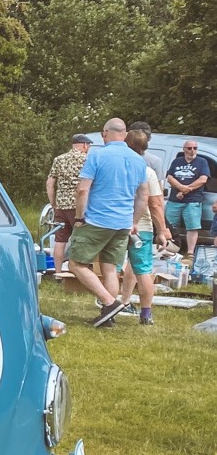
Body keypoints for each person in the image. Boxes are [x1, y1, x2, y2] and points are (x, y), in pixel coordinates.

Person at [66, 118, 152, 327]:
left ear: (105, 133)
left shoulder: (97, 155)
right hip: (123, 223)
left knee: (75, 264)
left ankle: (109, 303)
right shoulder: (139, 160)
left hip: (97, 220)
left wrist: (79, 217)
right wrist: (133, 221)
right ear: (124, 134)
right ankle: (108, 317)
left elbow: (82, 189)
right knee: (110, 268)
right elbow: (143, 196)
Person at [116, 130, 172, 325]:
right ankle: (146, 314)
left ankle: (110, 308)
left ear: (125, 143)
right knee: (143, 270)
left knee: (111, 267)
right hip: (143, 227)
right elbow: (156, 204)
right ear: (145, 146)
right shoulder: (148, 172)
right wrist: (163, 231)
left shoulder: (117, 167)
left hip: (115, 224)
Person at [45, 133, 93, 272]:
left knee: (60, 240)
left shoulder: (59, 159)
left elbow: (50, 183)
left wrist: (53, 203)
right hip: (79, 207)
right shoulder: (87, 160)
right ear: (84, 145)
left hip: (61, 206)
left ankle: (58, 272)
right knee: (81, 240)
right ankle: (78, 271)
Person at [164, 140, 211, 255]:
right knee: (169, 226)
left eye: (195, 148)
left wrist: (184, 190)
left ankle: (190, 253)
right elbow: (169, 177)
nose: (192, 150)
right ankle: (168, 250)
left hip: (193, 201)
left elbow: (203, 180)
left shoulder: (202, 162)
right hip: (174, 200)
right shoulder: (177, 161)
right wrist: (181, 187)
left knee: (192, 227)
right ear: (184, 149)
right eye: (189, 148)